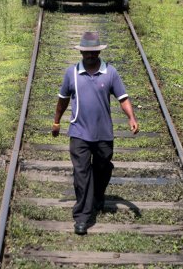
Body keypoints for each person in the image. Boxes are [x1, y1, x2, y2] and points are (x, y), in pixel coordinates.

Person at [52, 31, 139, 235]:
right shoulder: (71, 73)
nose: (90, 55)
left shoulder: (110, 72)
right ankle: (82, 217)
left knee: (103, 168)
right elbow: (62, 100)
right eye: (86, 52)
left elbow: (123, 98)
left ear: (99, 52)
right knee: (81, 175)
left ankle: (98, 196)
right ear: (81, 52)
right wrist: (56, 122)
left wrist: (131, 118)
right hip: (79, 132)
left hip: (103, 134)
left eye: (94, 52)